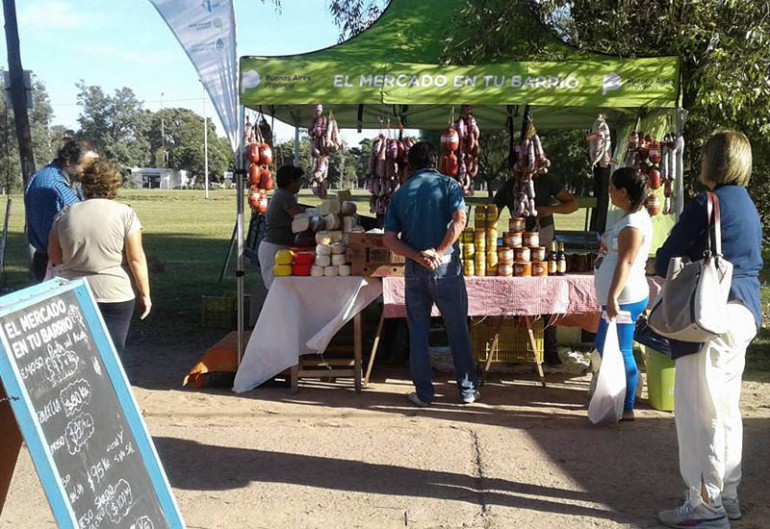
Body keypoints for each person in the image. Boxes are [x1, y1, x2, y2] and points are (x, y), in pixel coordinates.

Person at [655, 130, 761, 529]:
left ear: (712, 161)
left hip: (708, 316)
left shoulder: (707, 203)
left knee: (699, 411)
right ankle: (727, 495)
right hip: (744, 310)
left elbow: (668, 254)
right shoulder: (748, 206)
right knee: (725, 407)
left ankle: (705, 503)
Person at [383, 141, 479, 406]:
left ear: (410, 165)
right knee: (457, 329)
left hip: (415, 269)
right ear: (435, 161)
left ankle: (424, 394)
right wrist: (439, 252)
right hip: (446, 267)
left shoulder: (400, 194)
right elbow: (460, 221)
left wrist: (417, 256)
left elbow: (389, 240)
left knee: (418, 332)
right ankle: (467, 390)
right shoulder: (450, 186)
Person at [48, 159, 151, 355]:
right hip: (114, 293)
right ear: (114, 184)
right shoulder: (125, 213)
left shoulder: (63, 214)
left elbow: (55, 258)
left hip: (73, 291)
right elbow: (136, 259)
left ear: (84, 184)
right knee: (112, 352)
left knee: (79, 352)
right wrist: (145, 294)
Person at [493, 170, 578, 366]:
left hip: (544, 244)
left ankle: (549, 346)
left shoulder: (546, 180)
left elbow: (573, 204)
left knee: (547, 292)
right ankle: (518, 344)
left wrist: (549, 210)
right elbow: (493, 214)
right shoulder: (509, 186)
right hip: (518, 246)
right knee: (517, 292)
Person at [592, 167, 652, 421]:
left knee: (621, 350)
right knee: (606, 347)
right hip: (619, 297)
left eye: (612, 188)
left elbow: (626, 263)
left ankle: (627, 404)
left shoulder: (633, 225)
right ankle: (617, 398)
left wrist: (613, 297)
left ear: (624, 192)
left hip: (624, 298)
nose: (609, 193)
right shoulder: (631, 217)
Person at [25, 138, 98, 282]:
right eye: (86, 165)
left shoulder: (71, 181)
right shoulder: (48, 185)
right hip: (53, 264)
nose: (91, 171)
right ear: (69, 161)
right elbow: (47, 236)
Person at [257, 165, 305, 289]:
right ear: (291, 181)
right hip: (274, 248)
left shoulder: (283, 195)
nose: (300, 184)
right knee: (277, 290)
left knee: (282, 289)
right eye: (299, 180)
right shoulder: (285, 196)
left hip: (278, 247)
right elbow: (301, 217)